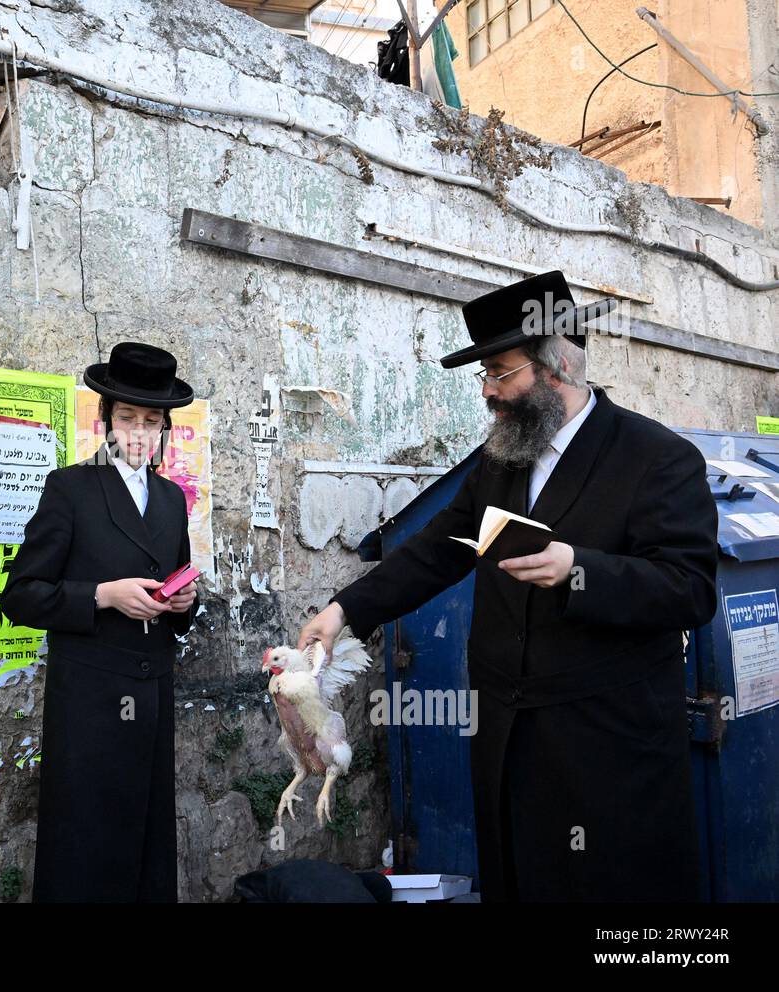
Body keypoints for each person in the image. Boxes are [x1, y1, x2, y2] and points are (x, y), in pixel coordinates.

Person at [297, 271, 718, 902]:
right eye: (485, 376)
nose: (490, 394)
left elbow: (689, 589)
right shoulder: (500, 461)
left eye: (501, 373)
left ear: (558, 368)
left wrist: (577, 567)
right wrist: (342, 611)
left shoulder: (658, 458)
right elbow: (436, 551)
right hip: (507, 744)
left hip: (605, 752)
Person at [0, 341, 199, 902]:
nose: (139, 433)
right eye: (127, 419)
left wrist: (186, 605)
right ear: (106, 422)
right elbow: (20, 596)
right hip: (88, 702)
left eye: (151, 421)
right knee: (86, 846)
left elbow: (179, 584)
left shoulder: (170, 499)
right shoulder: (70, 490)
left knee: (146, 846)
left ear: (164, 428)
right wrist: (103, 596)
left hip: (152, 692)